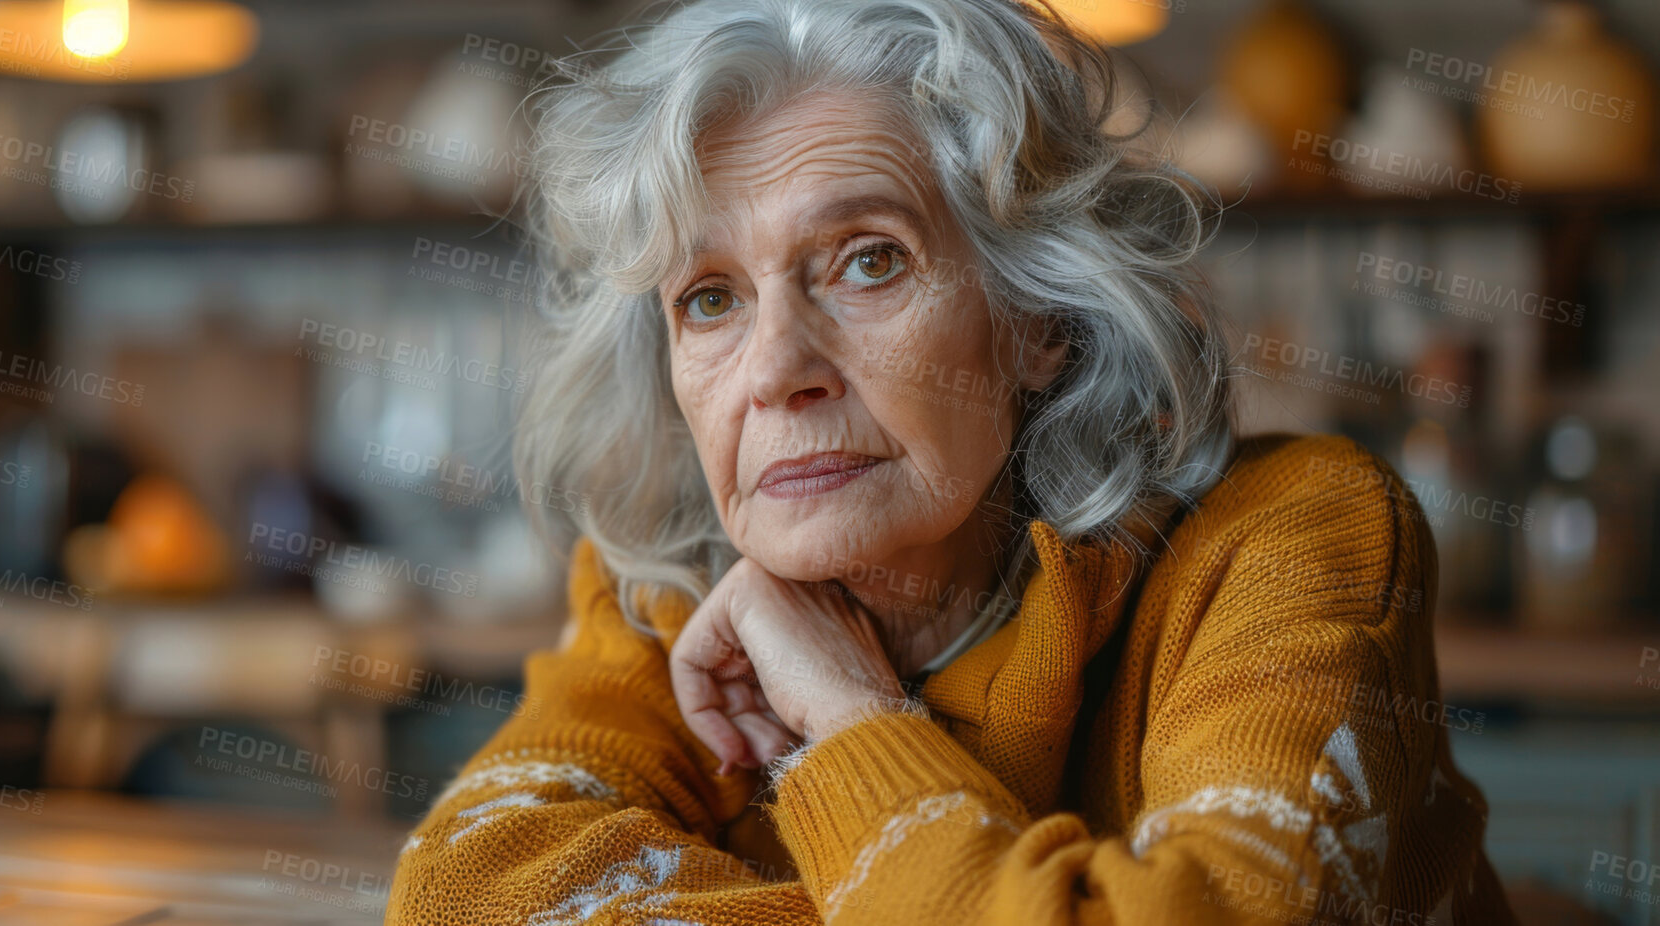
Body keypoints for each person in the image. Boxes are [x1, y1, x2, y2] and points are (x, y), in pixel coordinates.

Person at [387, 0, 1513, 921]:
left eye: (869, 260)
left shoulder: (1296, 534)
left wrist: (852, 715)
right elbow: (460, 892)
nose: (777, 368)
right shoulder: (665, 593)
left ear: (1040, 320)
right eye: (711, 297)